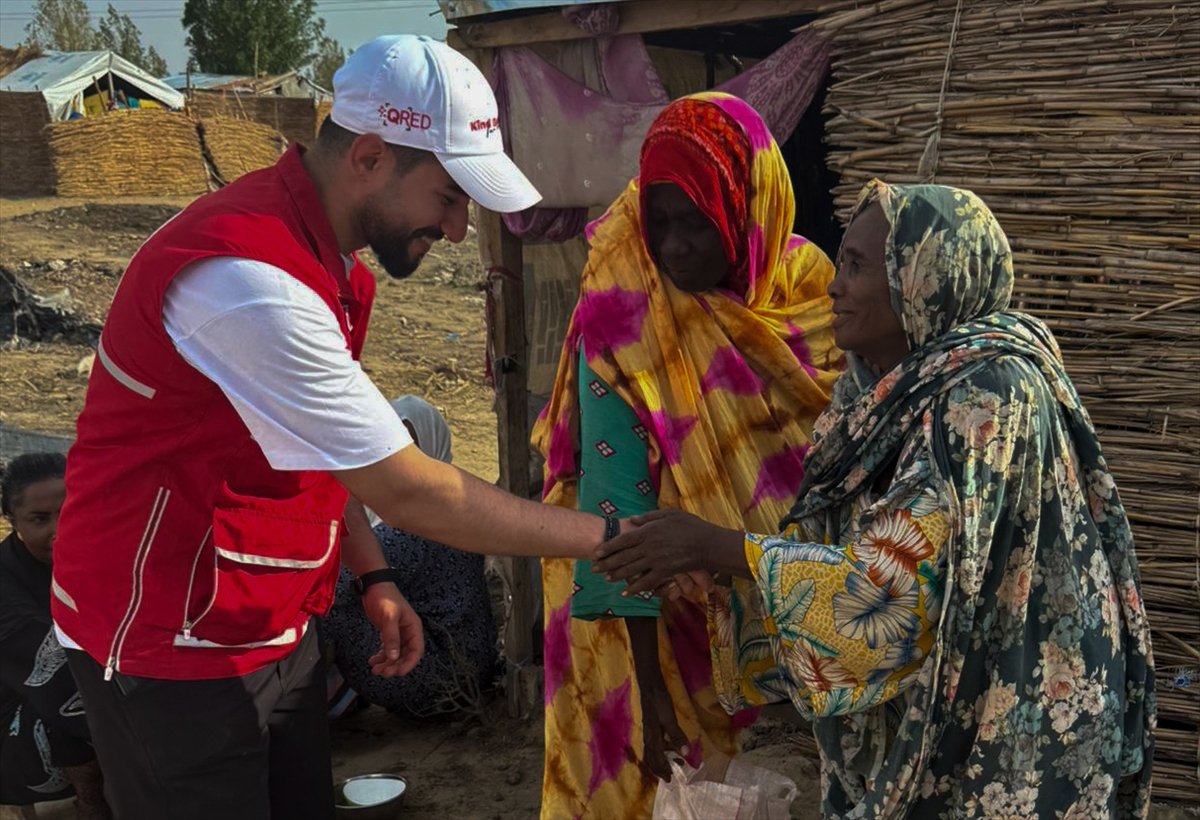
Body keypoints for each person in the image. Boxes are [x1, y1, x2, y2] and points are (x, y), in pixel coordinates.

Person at [50, 35, 629, 820]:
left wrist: (372, 572)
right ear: (368, 157)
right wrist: (607, 539)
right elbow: (406, 487)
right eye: (449, 197)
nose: (459, 230)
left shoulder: (327, 264)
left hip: (267, 617)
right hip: (170, 643)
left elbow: (322, 450)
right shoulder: (252, 283)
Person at [595, 180, 1157, 818]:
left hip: (1010, 720)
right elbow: (836, 545)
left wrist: (721, 547)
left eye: (858, 266)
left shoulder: (987, 394)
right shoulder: (883, 394)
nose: (834, 285)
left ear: (922, 279)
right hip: (937, 705)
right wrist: (718, 568)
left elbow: (894, 594)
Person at [532, 92, 842, 818]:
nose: (673, 247)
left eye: (695, 222)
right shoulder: (626, 299)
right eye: (659, 222)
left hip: (738, 586)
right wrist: (649, 687)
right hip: (626, 594)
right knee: (636, 781)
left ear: (747, 209)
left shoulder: (811, 290)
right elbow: (616, 506)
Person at [322, 396, 498, 718]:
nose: (394, 465)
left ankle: (315, 702)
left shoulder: (426, 519)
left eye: (407, 452)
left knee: (321, 600)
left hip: (442, 677)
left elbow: (339, 575)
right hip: (459, 669)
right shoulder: (452, 500)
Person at [0, 453, 109, 819]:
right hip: (16, 726)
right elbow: (54, 678)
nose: (60, 529)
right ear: (13, 522)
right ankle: (89, 804)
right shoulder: (6, 590)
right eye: (39, 519)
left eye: (70, 509)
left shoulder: (104, 556)